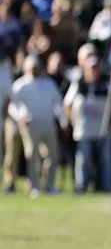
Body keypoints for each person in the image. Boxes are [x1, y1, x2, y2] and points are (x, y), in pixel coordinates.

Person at [5, 55, 66, 196]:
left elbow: (57, 103)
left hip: (48, 123)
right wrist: (22, 117)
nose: (34, 71)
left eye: (36, 68)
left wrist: (63, 121)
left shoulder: (49, 84)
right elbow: (13, 106)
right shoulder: (20, 84)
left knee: (52, 155)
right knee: (32, 156)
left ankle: (50, 185)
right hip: (31, 124)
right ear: (26, 68)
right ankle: (35, 185)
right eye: (32, 68)